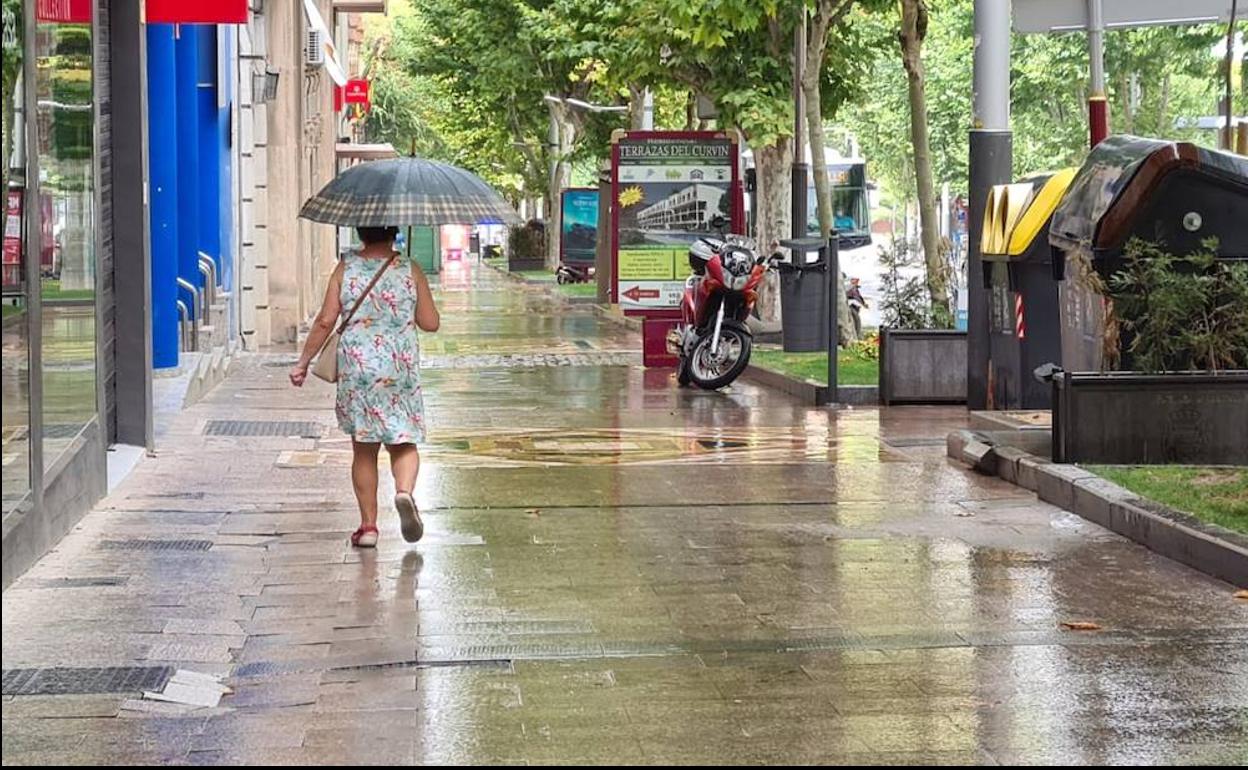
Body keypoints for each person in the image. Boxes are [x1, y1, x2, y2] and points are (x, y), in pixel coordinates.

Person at [289, 226, 440, 548]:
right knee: (403, 440)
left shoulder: (346, 267)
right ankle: (403, 492)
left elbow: (326, 320)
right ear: (394, 232)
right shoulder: (409, 268)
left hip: (358, 367)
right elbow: (430, 323)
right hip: (398, 369)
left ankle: (369, 528)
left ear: (361, 232)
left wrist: (303, 362)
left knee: (364, 448)